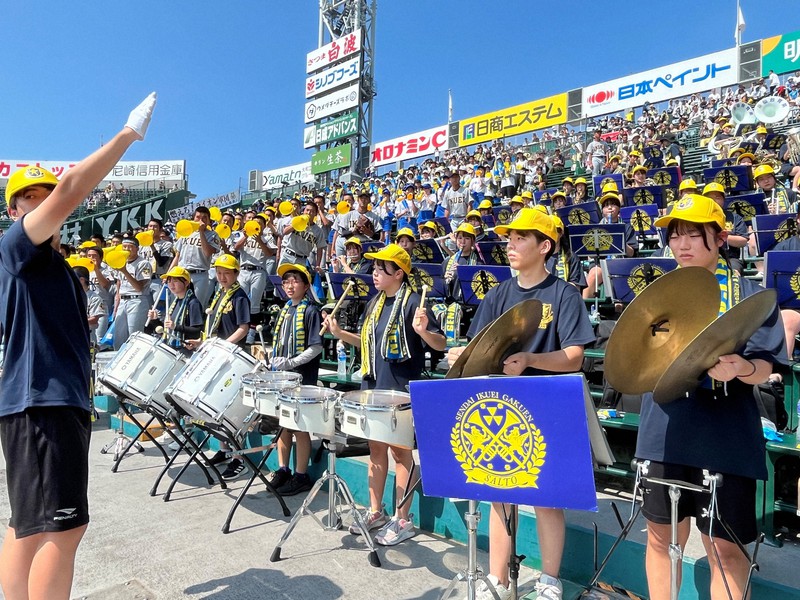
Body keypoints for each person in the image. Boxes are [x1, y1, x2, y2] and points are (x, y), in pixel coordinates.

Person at [0, 93, 155, 600]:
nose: (43, 202)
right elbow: (71, 189)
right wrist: (127, 135)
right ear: (14, 209)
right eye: (30, 197)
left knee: (29, 527)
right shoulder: (18, 246)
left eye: (45, 195)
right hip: (44, 402)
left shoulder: (51, 264)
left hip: (42, 401)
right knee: (63, 529)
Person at [636, 194, 786, 600]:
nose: (682, 245)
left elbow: (767, 366)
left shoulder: (748, 294)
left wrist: (741, 368)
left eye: (693, 235)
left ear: (720, 238)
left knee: (725, 550)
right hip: (664, 428)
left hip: (725, 433)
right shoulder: (657, 294)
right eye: (675, 236)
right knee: (661, 539)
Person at [446, 208, 595, 600]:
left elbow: (575, 356)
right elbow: (480, 347)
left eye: (520, 238)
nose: (510, 245)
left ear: (545, 246)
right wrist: (461, 354)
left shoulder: (563, 294)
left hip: (547, 405)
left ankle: (549, 579)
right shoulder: (499, 294)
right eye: (509, 238)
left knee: (547, 498)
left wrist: (531, 360)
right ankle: (498, 577)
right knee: (500, 494)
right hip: (501, 407)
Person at [324, 245, 446, 547]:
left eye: (381, 269)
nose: (375, 274)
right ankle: (376, 511)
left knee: (400, 454)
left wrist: (423, 332)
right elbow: (367, 343)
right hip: (374, 385)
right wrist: (340, 334)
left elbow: (441, 344)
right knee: (375, 450)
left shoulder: (415, 303)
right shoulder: (374, 303)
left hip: (399, 389)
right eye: (375, 268)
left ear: (399, 273)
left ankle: (403, 519)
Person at [185, 253, 251, 480]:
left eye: (227, 273)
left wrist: (223, 346)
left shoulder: (239, 296)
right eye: (219, 273)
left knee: (231, 410)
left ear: (236, 274)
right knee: (215, 406)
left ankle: (238, 458)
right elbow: (214, 327)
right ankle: (224, 450)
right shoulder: (219, 294)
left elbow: (243, 328)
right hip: (218, 354)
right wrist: (202, 343)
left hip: (233, 357)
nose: (222, 277)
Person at [267, 264, 324, 496]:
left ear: (306, 285)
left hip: (302, 376)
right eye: (286, 281)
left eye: (295, 281)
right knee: (283, 424)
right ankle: (283, 469)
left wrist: (292, 362)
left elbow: (316, 347)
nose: (289, 286)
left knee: (300, 427)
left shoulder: (310, 311)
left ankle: (301, 475)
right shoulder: (285, 310)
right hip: (283, 378)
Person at [145, 266, 204, 357]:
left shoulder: (193, 303)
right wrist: (155, 320)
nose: (171, 284)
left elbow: (197, 330)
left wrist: (176, 327)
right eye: (169, 281)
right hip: (171, 347)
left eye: (175, 281)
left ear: (186, 282)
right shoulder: (175, 302)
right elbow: (167, 331)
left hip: (185, 351)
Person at [170, 206, 222, 307]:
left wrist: (201, 232)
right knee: (177, 305)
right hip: (182, 273)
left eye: (204, 218)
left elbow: (208, 253)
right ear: (193, 218)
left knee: (196, 306)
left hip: (200, 274)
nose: (201, 220)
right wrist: (169, 273)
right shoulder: (186, 232)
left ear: (209, 220)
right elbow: (177, 256)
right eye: (198, 217)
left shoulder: (213, 235)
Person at [112, 237, 153, 349]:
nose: (127, 249)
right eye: (124, 247)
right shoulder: (122, 262)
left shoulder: (144, 263)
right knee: (119, 335)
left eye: (130, 247)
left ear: (137, 248)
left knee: (134, 334)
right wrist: (117, 303)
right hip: (123, 300)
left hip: (137, 300)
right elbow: (119, 283)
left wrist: (125, 271)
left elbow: (139, 287)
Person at [74, 266, 108, 348]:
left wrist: (75, 322)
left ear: (82, 280)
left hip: (88, 335)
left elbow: (94, 319)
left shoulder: (94, 298)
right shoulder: (71, 296)